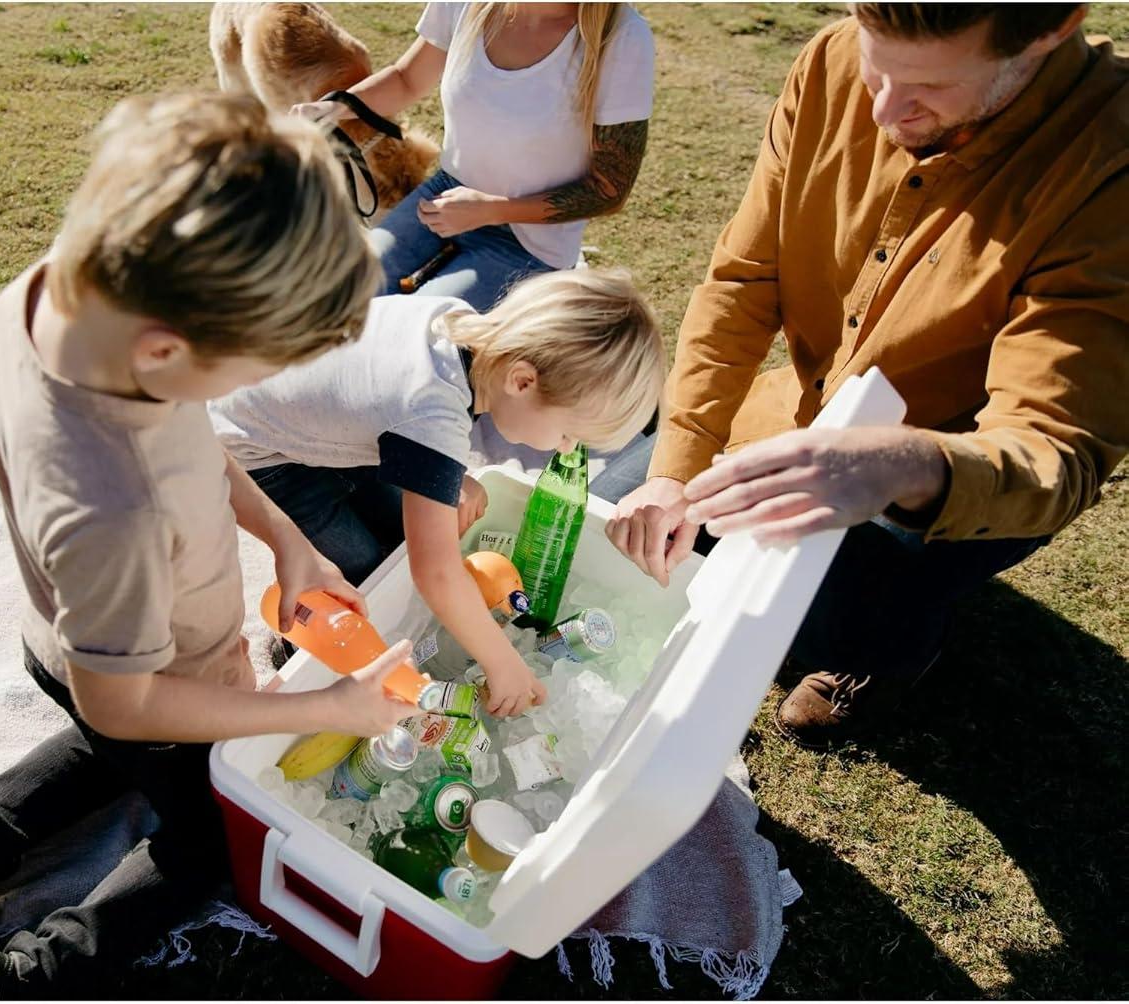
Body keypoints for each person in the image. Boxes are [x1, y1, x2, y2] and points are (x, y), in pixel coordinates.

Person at [0, 93, 418, 1002]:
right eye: (253, 370)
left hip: (74, 640)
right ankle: (16, 978)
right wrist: (323, 710)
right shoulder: (115, 503)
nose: (255, 391)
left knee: (91, 752)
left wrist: (286, 537)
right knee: (211, 837)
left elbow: (194, 436)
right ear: (164, 352)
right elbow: (126, 705)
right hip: (155, 676)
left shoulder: (63, 295)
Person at [606, 4, 1127, 748]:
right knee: (624, 512)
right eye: (876, 67)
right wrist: (675, 469)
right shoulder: (831, 59)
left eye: (928, 85)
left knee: (839, 617)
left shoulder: (1111, 165)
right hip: (805, 414)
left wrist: (905, 465)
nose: (884, 110)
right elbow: (743, 282)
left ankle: (888, 648)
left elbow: (1054, 452)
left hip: (955, 477)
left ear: (1053, 28)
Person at [211, 268, 665, 718]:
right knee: (367, 572)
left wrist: (443, 473)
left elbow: (391, 407)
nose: (566, 448)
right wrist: (503, 663)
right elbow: (438, 575)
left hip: (308, 418)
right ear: (522, 381)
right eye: (568, 433)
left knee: (398, 545)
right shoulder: (433, 415)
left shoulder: (453, 321)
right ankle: (300, 644)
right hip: (257, 451)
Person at [297, 2, 655, 311]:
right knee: (337, 295)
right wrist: (334, 108)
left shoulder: (621, 37)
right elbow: (407, 79)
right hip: (444, 196)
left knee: (417, 334)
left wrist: (491, 209)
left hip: (530, 243)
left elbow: (609, 189)